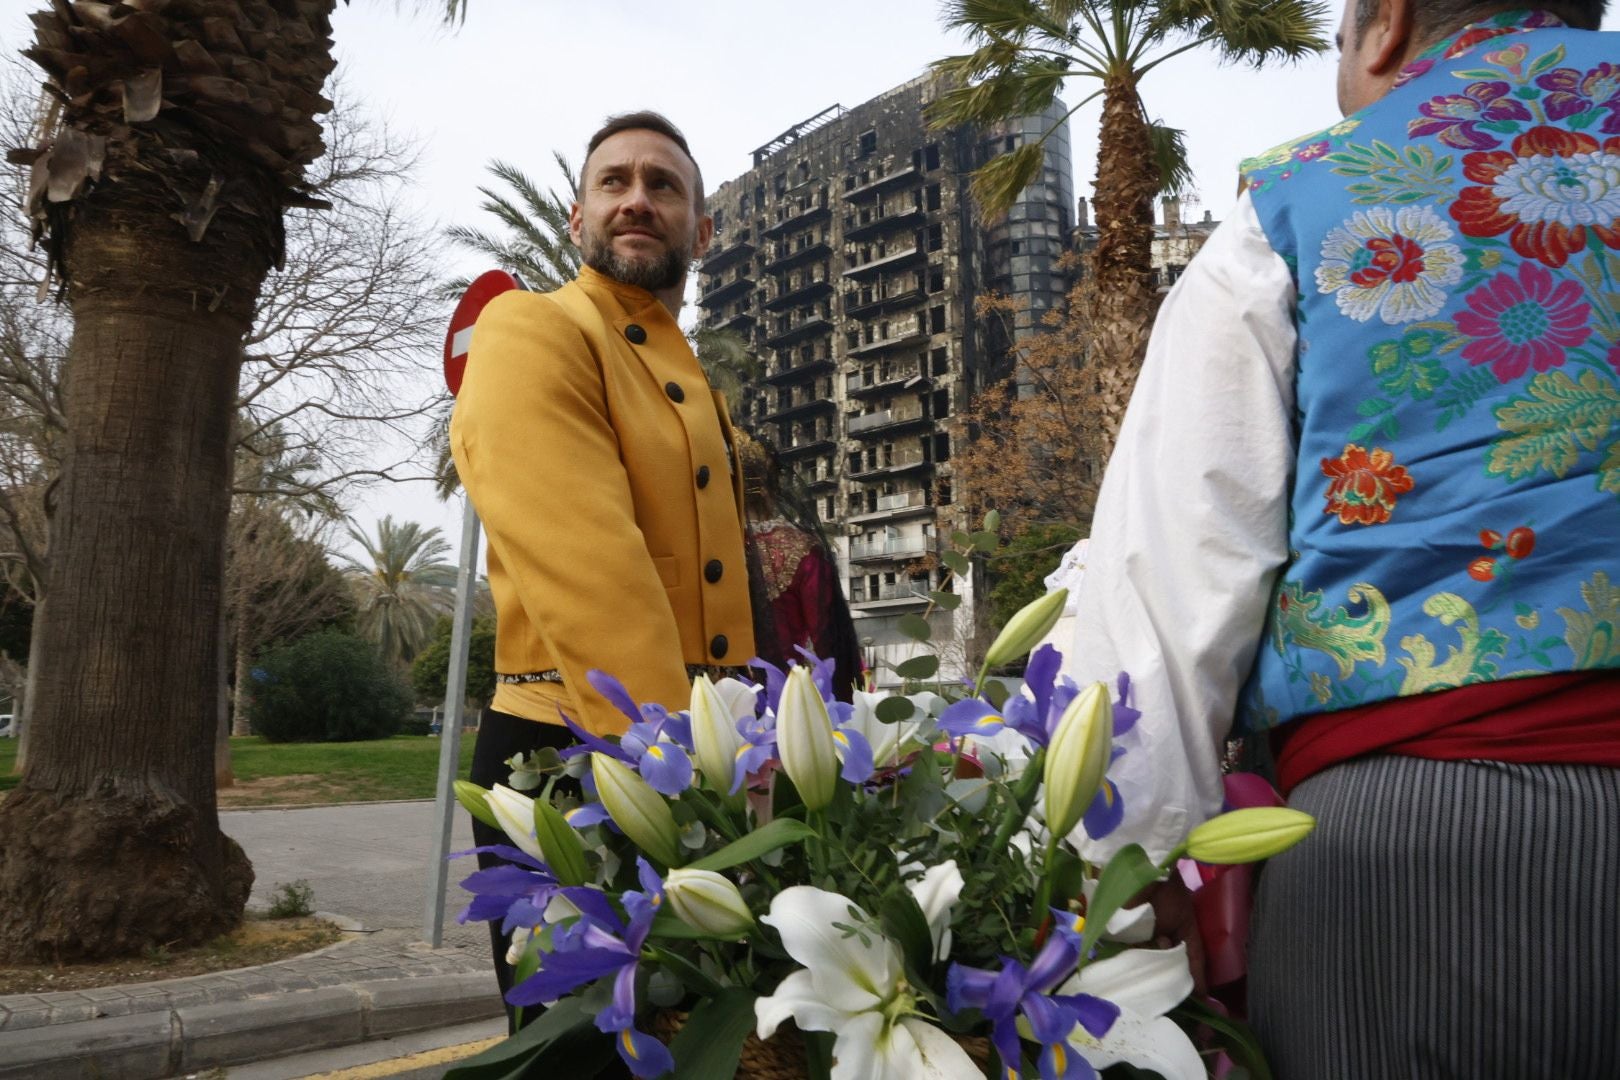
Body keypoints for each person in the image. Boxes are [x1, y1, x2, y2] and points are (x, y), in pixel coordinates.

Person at [1064, 1, 1620, 1075]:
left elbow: (1169, 585)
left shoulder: (1297, 201)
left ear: (1386, 26)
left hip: (1407, 860)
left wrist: (1122, 897)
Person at [449, 111, 756, 1038]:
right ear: (576, 219)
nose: (637, 198)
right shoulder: (529, 328)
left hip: (687, 756)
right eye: (613, 182)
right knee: (583, 1058)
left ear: (701, 231)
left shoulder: (692, 379)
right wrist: (690, 787)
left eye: (664, 186)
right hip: (582, 761)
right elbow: (598, 583)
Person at [735, 432, 864, 697]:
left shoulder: (713, 550)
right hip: (786, 697)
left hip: (719, 699)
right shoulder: (802, 549)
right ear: (774, 484)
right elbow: (828, 642)